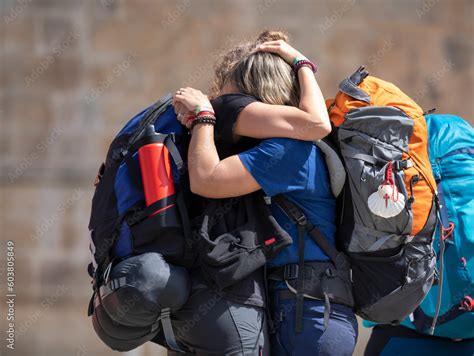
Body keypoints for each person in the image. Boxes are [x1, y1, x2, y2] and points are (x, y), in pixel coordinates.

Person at [172, 32, 358, 356]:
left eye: (232, 103)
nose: (225, 113)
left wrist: (204, 115)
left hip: (307, 314)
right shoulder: (286, 148)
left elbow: (206, 180)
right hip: (303, 308)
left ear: (254, 99)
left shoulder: (286, 151)